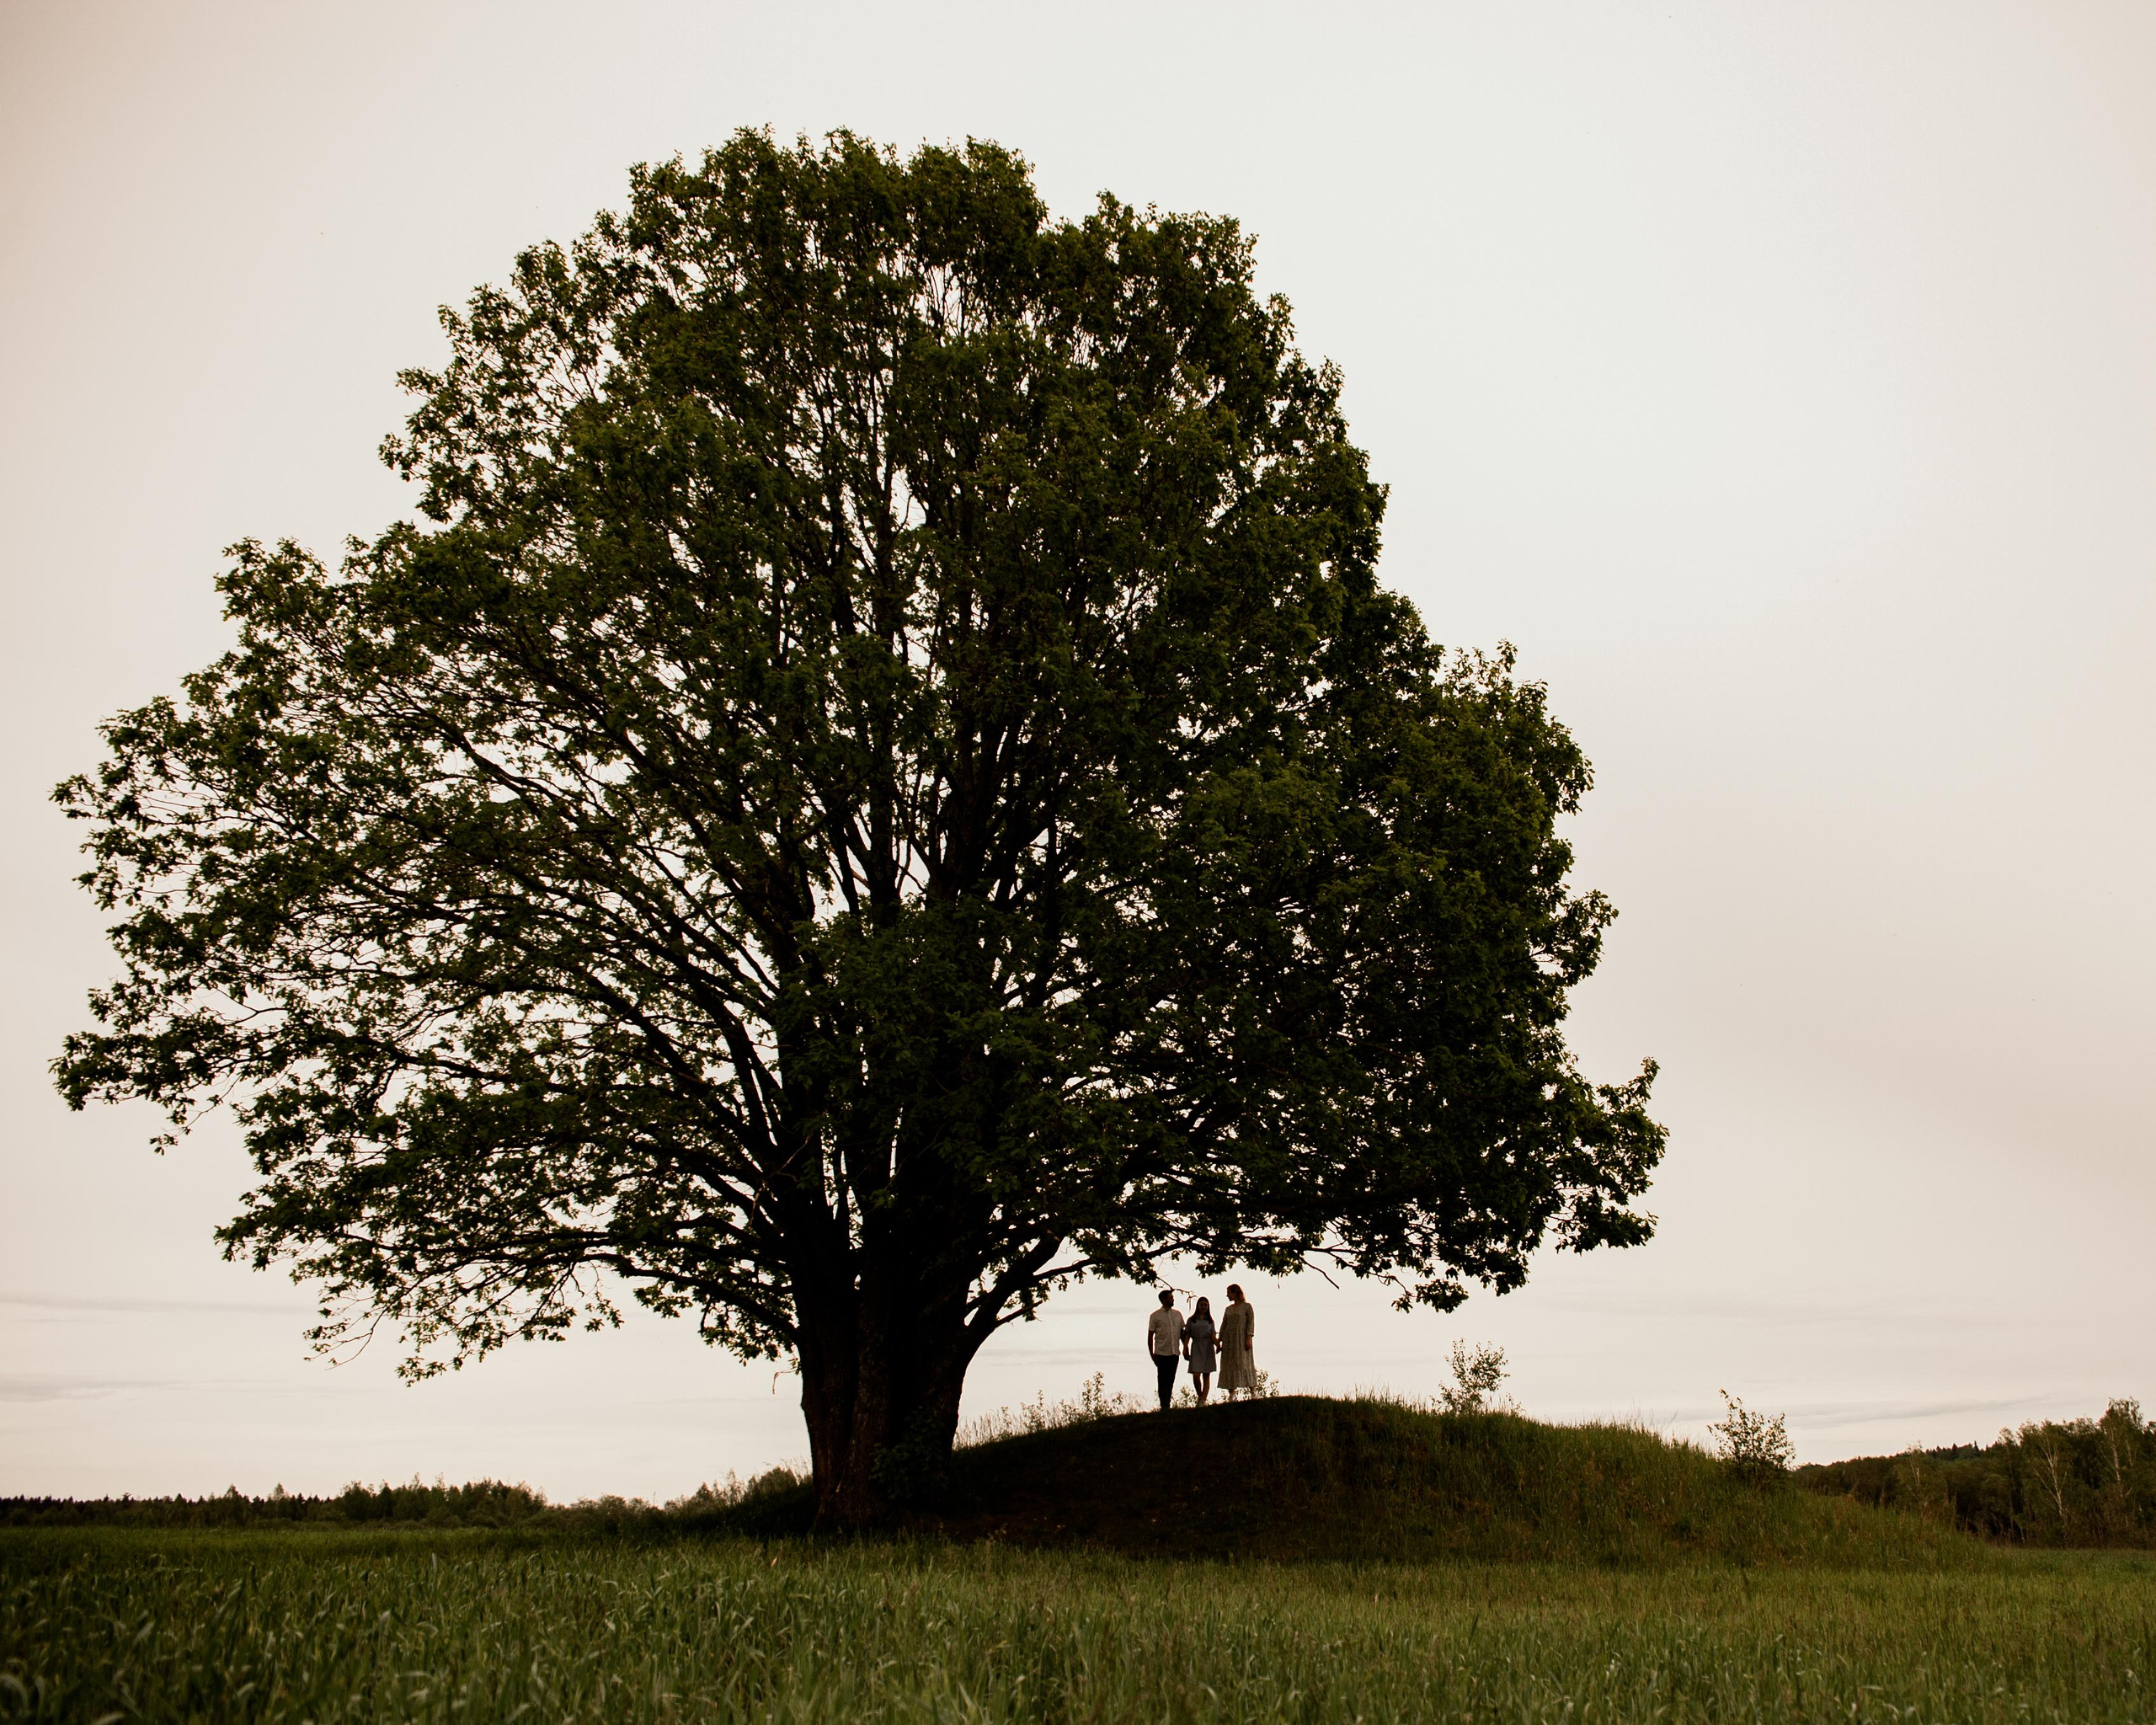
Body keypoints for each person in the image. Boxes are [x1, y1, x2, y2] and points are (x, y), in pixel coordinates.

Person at [1145, 1289, 1184, 1411]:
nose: (1172, 1300)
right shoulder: (1155, 1316)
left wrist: (1186, 1347)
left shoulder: (1177, 1314)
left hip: (1174, 1352)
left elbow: (1182, 1333)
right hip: (1161, 1352)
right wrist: (1152, 1354)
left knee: (1171, 1379)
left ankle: (1167, 1403)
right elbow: (1150, 1336)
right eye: (1170, 1298)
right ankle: (1164, 1405)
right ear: (1164, 1300)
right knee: (1162, 1379)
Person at [1217, 1284, 1257, 1397]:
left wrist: (1249, 1337)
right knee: (1229, 1364)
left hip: (1242, 1339)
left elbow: (1250, 1323)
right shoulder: (1228, 1309)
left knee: (1244, 1363)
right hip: (1229, 1340)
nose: (1227, 1295)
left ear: (1235, 1293)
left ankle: (1253, 1390)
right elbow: (1224, 1325)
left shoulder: (1247, 1307)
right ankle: (1232, 1393)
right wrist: (1219, 1340)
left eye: (1229, 1293)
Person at [1182, 1295, 1217, 1404]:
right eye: (1202, 1305)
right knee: (1196, 1374)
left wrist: (1218, 1345)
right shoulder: (1191, 1320)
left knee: (1206, 1374)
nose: (1204, 1307)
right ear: (1198, 1305)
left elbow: (1213, 1336)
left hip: (1208, 1347)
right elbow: (1187, 1335)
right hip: (1196, 1346)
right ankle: (1200, 1395)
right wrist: (1185, 1347)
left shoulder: (1210, 1321)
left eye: (1206, 1305)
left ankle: (1203, 1400)